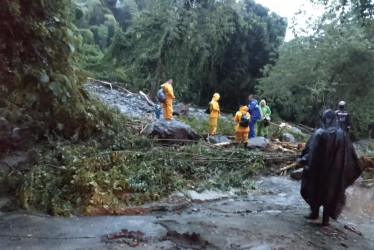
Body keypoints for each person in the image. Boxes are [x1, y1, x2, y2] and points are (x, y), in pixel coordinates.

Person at [297, 109, 362, 226]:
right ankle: (325, 220)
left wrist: (305, 162)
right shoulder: (342, 134)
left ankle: (314, 213)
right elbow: (350, 153)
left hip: (319, 170)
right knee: (330, 193)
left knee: (315, 190)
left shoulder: (320, 133)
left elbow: (312, 151)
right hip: (335, 171)